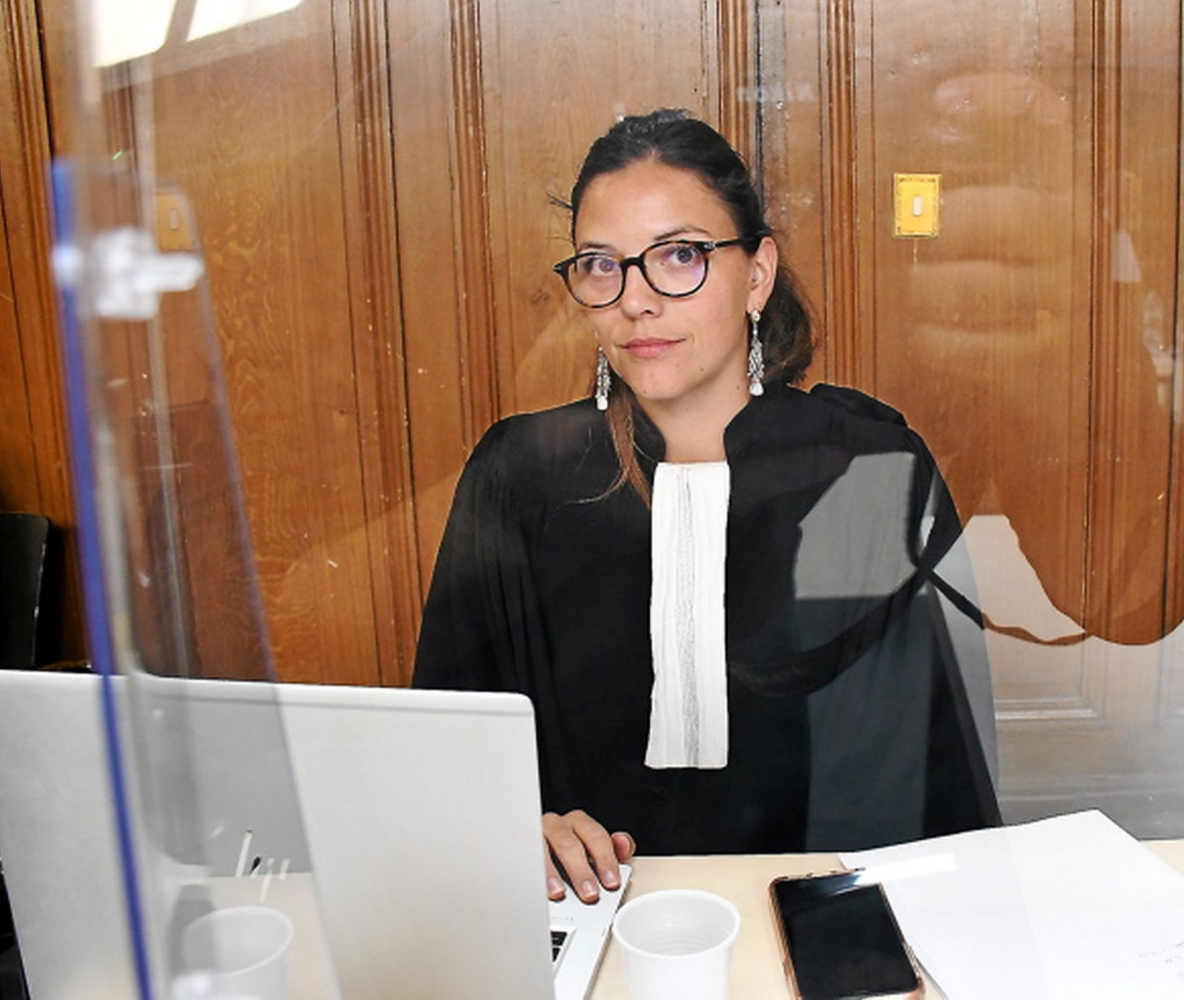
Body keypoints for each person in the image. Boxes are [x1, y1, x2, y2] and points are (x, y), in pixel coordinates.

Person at [413, 109, 1000, 904]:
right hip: (585, 917)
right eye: (600, 265)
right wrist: (516, 827)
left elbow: (914, 770)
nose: (636, 301)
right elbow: (447, 749)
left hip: (819, 911)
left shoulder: (856, 467)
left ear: (756, 274)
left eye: (679, 255)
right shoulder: (522, 476)